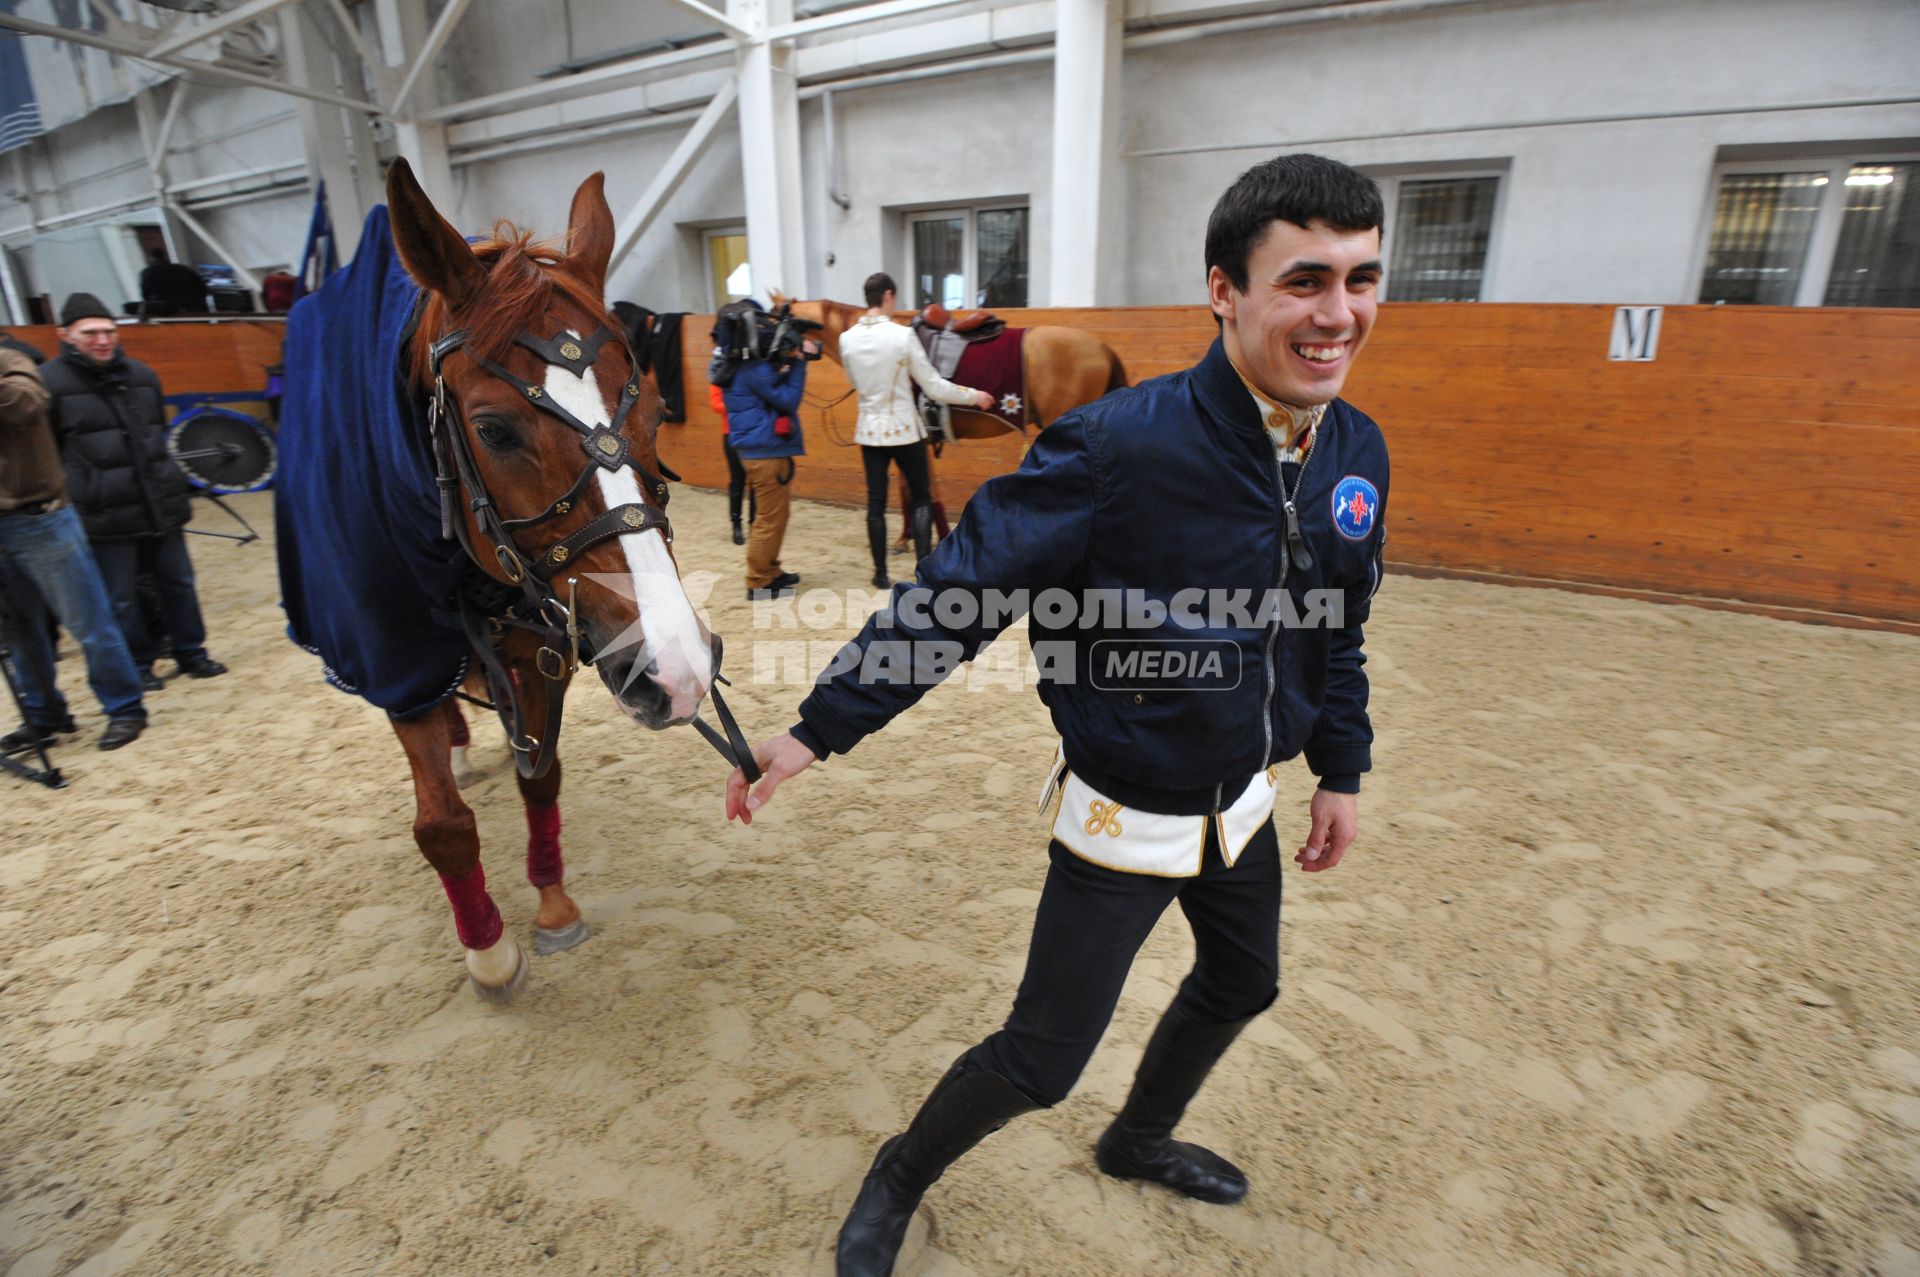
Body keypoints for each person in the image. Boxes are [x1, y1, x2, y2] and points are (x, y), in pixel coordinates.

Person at [725, 154, 1393, 1276]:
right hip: (1126, 809)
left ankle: (1139, 1136)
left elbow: (1337, 624)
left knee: (1246, 978)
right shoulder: (1112, 446)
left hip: (1245, 802)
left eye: (1363, 279)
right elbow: (957, 594)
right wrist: (815, 727)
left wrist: (1342, 764)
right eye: (1307, 281)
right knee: (1040, 1060)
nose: (1340, 313)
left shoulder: (1356, 447)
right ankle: (899, 1170)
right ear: (1224, 290)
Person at [41, 293, 227, 688]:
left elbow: (157, 434)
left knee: (177, 582)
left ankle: (191, 652)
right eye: (89, 332)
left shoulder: (142, 375)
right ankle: (141, 664)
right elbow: (52, 450)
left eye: (108, 331)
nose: (102, 339)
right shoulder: (50, 384)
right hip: (104, 511)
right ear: (65, 335)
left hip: (159, 499)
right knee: (120, 596)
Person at [0, 344, 149, 751]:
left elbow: (26, 406)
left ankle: (125, 708)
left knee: (88, 622)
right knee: (18, 633)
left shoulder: (12, 362)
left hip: (39, 520)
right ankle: (44, 716)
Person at [840, 273, 993, 589]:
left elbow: (855, 382)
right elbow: (933, 386)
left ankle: (880, 574)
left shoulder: (846, 339)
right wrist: (974, 396)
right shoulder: (902, 335)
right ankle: (923, 567)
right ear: (888, 295)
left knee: (875, 504)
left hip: (869, 432)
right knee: (922, 498)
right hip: (906, 430)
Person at [721, 302, 819, 600]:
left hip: (761, 450)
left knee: (775, 517)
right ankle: (758, 582)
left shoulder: (743, 365)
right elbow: (787, 400)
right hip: (765, 454)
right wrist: (800, 362)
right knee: (768, 520)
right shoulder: (754, 369)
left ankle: (771, 571)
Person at [708, 381, 757, 546]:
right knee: (737, 480)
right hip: (732, 434)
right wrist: (742, 406)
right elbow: (716, 405)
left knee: (756, 480)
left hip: (754, 431)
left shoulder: (751, 374)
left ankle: (754, 523)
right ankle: (736, 524)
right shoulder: (722, 376)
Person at [138, 249, 210, 316]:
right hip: (195, 308)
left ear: (150, 258)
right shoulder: (183, 269)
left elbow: (145, 295)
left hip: (167, 312)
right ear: (165, 256)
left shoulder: (147, 273)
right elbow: (202, 288)